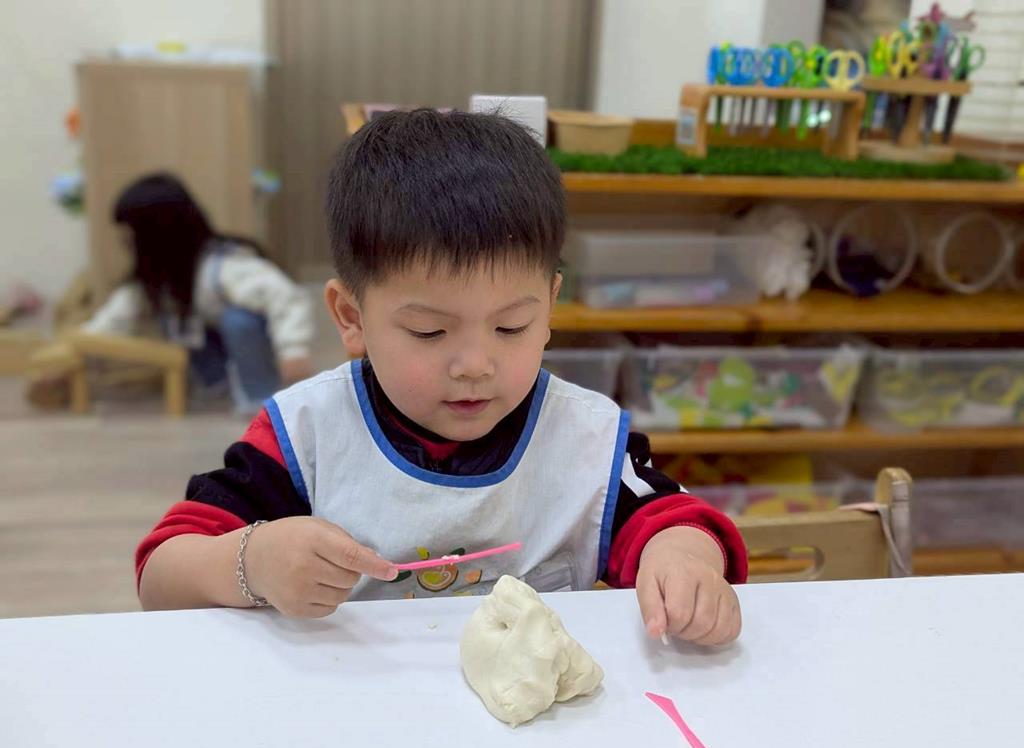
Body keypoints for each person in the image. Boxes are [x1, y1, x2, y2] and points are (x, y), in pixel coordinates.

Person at [135, 111, 747, 646]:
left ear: (550, 306)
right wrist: (251, 563)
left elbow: (668, 518)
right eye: (429, 332)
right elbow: (161, 576)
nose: (475, 364)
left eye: (511, 326)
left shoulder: (582, 436)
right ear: (352, 318)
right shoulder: (307, 435)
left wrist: (683, 556)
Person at [81, 173, 313, 412]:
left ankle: (259, 396)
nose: (125, 243)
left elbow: (285, 297)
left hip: (250, 352)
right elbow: (113, 319)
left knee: (239, 320)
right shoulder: (157, 282)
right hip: (212, 359)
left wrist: (293, 350)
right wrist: (79, 346)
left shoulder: (224, 266)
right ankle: (216, 388)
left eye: (131, 236)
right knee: (174, 317)